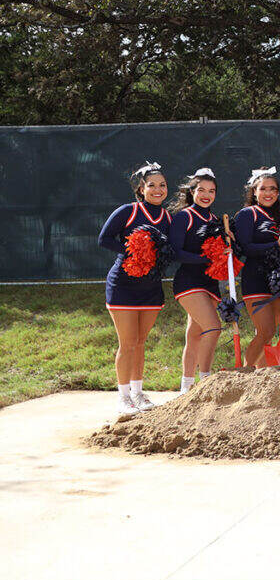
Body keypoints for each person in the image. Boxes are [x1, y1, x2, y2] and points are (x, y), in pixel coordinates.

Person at [97, 162, 172, 413]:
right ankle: (123, 397)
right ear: (141, 189)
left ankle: (139, 393)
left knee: (140, 341)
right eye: (152, 185)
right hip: (123, 285)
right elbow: (104, 239)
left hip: (151, 286)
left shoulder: (168, 217)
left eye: (162, 185)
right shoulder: (127, 211)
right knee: (127, 342)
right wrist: (133, 251)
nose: (158, 189)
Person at [168, 168, 223, 392]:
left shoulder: (216, 220)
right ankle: (206, 381)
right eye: (201, 190)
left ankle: (187, 387)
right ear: (192, 192)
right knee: (213, 328)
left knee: (194, 335)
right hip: (188, 281)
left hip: (210, 282)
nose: (206, 195)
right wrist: (205, 258)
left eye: (211, 191)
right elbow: (176, 252)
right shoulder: (184, 217)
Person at [233, 166, 280, 368]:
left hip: (277, 279)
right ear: (254, 192)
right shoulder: (247, 214)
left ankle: (262, 377)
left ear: (278, 193)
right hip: (255, 278)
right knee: (266, 331)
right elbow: (247, 247)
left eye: (272, 189)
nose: (268, 193)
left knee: (270, 332)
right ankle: (244, 372)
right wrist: (277, 244)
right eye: (263, 189)